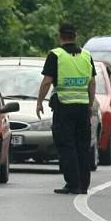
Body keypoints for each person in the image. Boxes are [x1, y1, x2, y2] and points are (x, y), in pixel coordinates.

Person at [36, 22, 96, 195]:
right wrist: (90, 104)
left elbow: (47, 81)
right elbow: (92, 83)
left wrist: (39, 102)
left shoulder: (56, 55)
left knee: (66, 145)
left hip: (64, 107)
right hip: (82, 107)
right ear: (75, 35)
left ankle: (72, 183)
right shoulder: (86, 55)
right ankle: (83, 185)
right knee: (82, 146)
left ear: (60, 35)